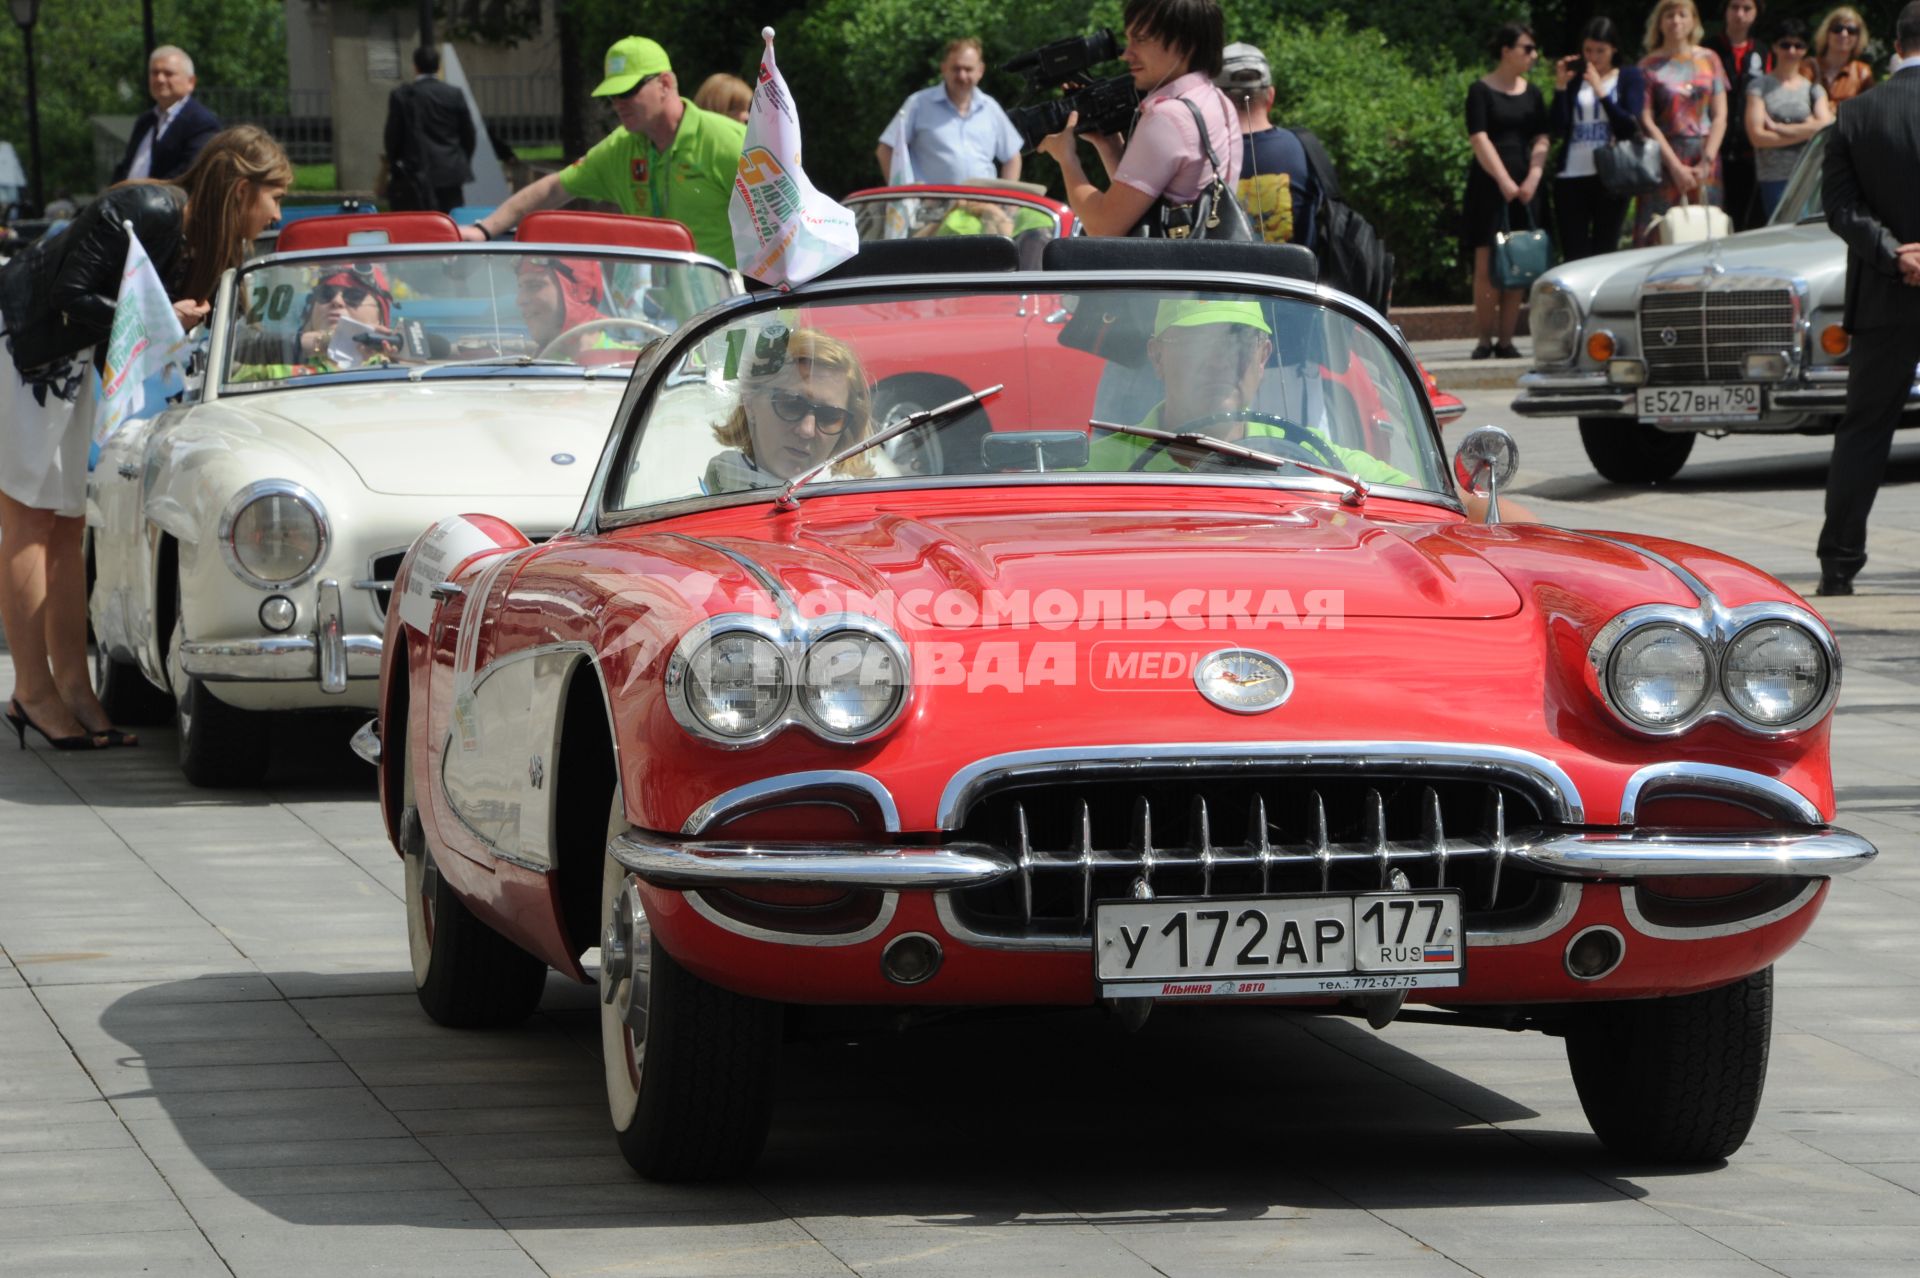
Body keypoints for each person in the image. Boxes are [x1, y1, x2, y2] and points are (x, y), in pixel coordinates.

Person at [0, 126, 289, 749]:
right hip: (21, 346)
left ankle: (74, 689)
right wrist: (162, 318)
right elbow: (67, 293)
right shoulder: (146, 208)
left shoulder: (196, 238)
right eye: (274, 196)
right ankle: (31, 690)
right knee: (27, 519)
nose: (277, 213)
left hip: (68, 361)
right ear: (241, 189)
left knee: (67, 524)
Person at [460, 37, 746, 268]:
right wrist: (484, 231)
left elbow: (782, 218)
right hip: (663, 314)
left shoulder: (727, 140)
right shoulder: (621, 147)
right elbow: (554, 188)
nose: (617, 103)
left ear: (666, 84)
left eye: (628, 91)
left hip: (727, 313)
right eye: (612, 95)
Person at [1813, 1, 1920, 597]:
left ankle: (1839, 565)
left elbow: (1842, 208)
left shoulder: (1854, 115)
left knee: (1865, 431)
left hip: (1884, 296)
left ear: (1896, 44)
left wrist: (1896, 253)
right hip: (1892, 284)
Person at [1085, 300, 1412, 484]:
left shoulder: (1306, 455)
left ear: (1263, 356)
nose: (1220, 363)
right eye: (1197, 346)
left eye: (1238, 344)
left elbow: (1421, 501)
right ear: (1158, 357)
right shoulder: (1098, 469)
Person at [1036, 0, 1241, 238]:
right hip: (1202, 265)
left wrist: (1066, 158)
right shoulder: (1216, 100)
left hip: (1165, 270)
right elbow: (1149, 199)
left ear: (1185, 44)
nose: (1127, 54)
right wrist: (1110, 145)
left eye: (1141, 39)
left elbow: (1103, 226)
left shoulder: (1168, 117)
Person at [1463, 23, 1549, 359]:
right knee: (1487, 265)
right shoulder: (1480, 90)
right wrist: (1504, 181)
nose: (1533, 55)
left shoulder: (1534, 93)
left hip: (1527, 186)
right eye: (1526, 48)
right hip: (1489, 185)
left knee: (1520, 261)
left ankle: (1507, 340)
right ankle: (1484, 341)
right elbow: (1479, 137)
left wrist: (1532, 178)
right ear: (1506, 50)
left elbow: (1542, 137)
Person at [703, 329, 874, 494]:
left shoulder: (860, 497)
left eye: (829, 416)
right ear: (750, 402)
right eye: (791, 404)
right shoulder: (720, 481)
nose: (806, 430)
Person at [1551, 18, 1648, 260]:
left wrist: (1601, 91)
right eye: (1588, 50)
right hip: (1572, 173)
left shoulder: (1629, 76)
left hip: (1611, 174)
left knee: (1605, 249)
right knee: (1574, 251)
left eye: (1600, 50)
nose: (1593, 57)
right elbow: (1557, 127)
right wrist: (1561, 88)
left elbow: (1629, 125)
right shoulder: (1576, 79)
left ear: (1614, 48)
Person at [1636, 0, 1731, 247]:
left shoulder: (1710, 59)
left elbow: (1720, 115)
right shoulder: (1648, 65)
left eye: (1682, 14)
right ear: (1659, 22)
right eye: (1669, 15)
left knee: (1705, 231)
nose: (1676, 21)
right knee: (1662, 234)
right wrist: (1675, 167)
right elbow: (1645, 119)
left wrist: (1706, 161)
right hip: (1665, 158)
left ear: (1693, 21)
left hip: (1705, 154)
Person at [876, 38, 1023, 186]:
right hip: (932, 206)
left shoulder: (990, 108)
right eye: (956, 69)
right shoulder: (918, 104)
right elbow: (886, 149)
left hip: (982, 205)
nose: (962, 76)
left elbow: (1012, 157)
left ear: (980, 70)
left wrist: (1009, 204)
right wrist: (903, 195)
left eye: (968, 69)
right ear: (944, 68)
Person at [1215, 42, 1316, 247]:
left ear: (1217, 99)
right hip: (1292, 277)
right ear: (1270, 96)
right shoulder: (1304, 149)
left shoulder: (1198, 154)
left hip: (1221, 277)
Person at [1746, 18, 1833, 221]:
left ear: (1805, 50)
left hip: (1809, 178)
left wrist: (1778, 128)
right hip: (1773, 177)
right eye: (1785, 45)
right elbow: (1758, 137)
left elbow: (1827, 128)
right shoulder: (1759, 86)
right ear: (1775, 47)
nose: (1792, 51)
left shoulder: (1813, 89)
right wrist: (1808, 129)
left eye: (1798, 46)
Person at [383, 45, 477, 213]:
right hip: (450, 170)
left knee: (418, 225)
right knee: (451, 222)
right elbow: (468, 133)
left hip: (415, 172)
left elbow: (393, 137)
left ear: (415, 67)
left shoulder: (402, 95)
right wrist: (461, 160)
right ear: (438, 66)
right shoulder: (453, 94)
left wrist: (394, 163)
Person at [110, 45, 223, 184]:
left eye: (168, 73)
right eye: (154, 72)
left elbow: (190, 174)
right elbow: (125, 168)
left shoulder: (201, 123)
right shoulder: (145, 121)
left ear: (191, 82)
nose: (160, 79)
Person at [1705, 0, 1768, 228]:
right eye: (1734, 7)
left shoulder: (1762, 50)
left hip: (1751, 151)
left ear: (1756, 13)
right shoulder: (1709, 49)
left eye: (1747, 8)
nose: (1739, 14)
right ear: (1725, 11)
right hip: (1715, 150)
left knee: (1747, 220)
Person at [515, 257, 615, 359]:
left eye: (534, 286)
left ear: (583, 292)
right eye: (520, 287)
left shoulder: (627, 362)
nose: (520, 300)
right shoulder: (526, 368)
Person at [1804, 7, 1875, 104]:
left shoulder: (1862, 72)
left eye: (1851, 30)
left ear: (1858, 38)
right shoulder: (1808, 67)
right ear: (1827, 33)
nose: (1844, 34)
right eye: (1838, 29)